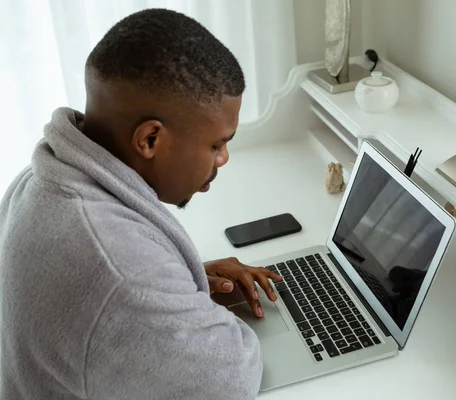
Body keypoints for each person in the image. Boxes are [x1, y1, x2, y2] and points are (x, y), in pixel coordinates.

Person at [0, 8, 281, 400]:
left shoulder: (41, 179)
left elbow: (100, 293)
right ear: (150, 140)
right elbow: (230, 381)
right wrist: (156, 297)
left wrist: (180, 281)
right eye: (216, 144)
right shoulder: (119, 266)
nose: (223, 159)